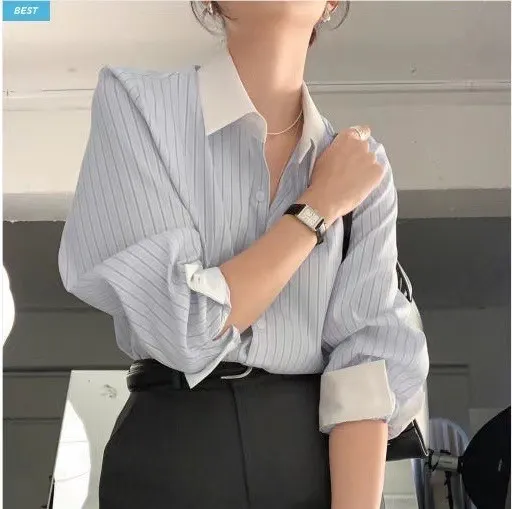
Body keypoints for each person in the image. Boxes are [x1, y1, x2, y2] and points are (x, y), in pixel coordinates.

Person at [58, 2, 429, 508]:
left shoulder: (361, 167)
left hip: (311, 458)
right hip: (174, 448)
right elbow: (187, 327)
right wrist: (318, 206)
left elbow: (365, 371)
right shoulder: (139, 105)